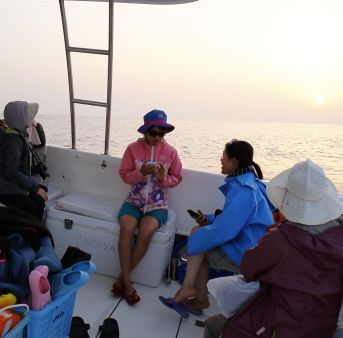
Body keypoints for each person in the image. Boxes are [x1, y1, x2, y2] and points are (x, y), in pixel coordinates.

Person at [204, 159, 343, 338]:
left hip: (279, 326)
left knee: (212, 326)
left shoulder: (280, 239)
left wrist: (277, 228)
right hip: (322, 325)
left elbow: (249, 269)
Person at [160, 139, 273, 318]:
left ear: (234, 161)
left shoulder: (243, 190)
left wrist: (196, 239)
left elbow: (226, 231)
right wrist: (210, 220)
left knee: (197, 236)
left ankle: (191, 290)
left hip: (247, 250)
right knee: (199, 233)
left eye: (224, 156)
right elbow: (236, 218)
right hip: (251, 242)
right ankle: (197, 296)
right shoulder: (251, 181)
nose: (221, 160)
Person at [113, 110, 183, 305]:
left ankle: (121, 281)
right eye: (154, 133)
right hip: (133, 202)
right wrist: (141, 173)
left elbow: (177, 178)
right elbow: (125, 175)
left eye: (162, 133)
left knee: (145, 233)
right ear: (145, 132)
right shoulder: (132, 149)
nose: (158, 138)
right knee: (126, 228)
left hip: (157, 206)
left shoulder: (171, 152)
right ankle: (127, 283)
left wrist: (163, 179)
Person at [0, 101, 48, 221]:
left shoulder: (16, 135)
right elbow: (11, 171)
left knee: (39, 202)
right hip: (2, 189)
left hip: (10, 185)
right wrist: (35, 188)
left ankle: (37, 233)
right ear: (21, 119)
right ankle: (29, 234)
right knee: (31, 207)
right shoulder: (14, 141)